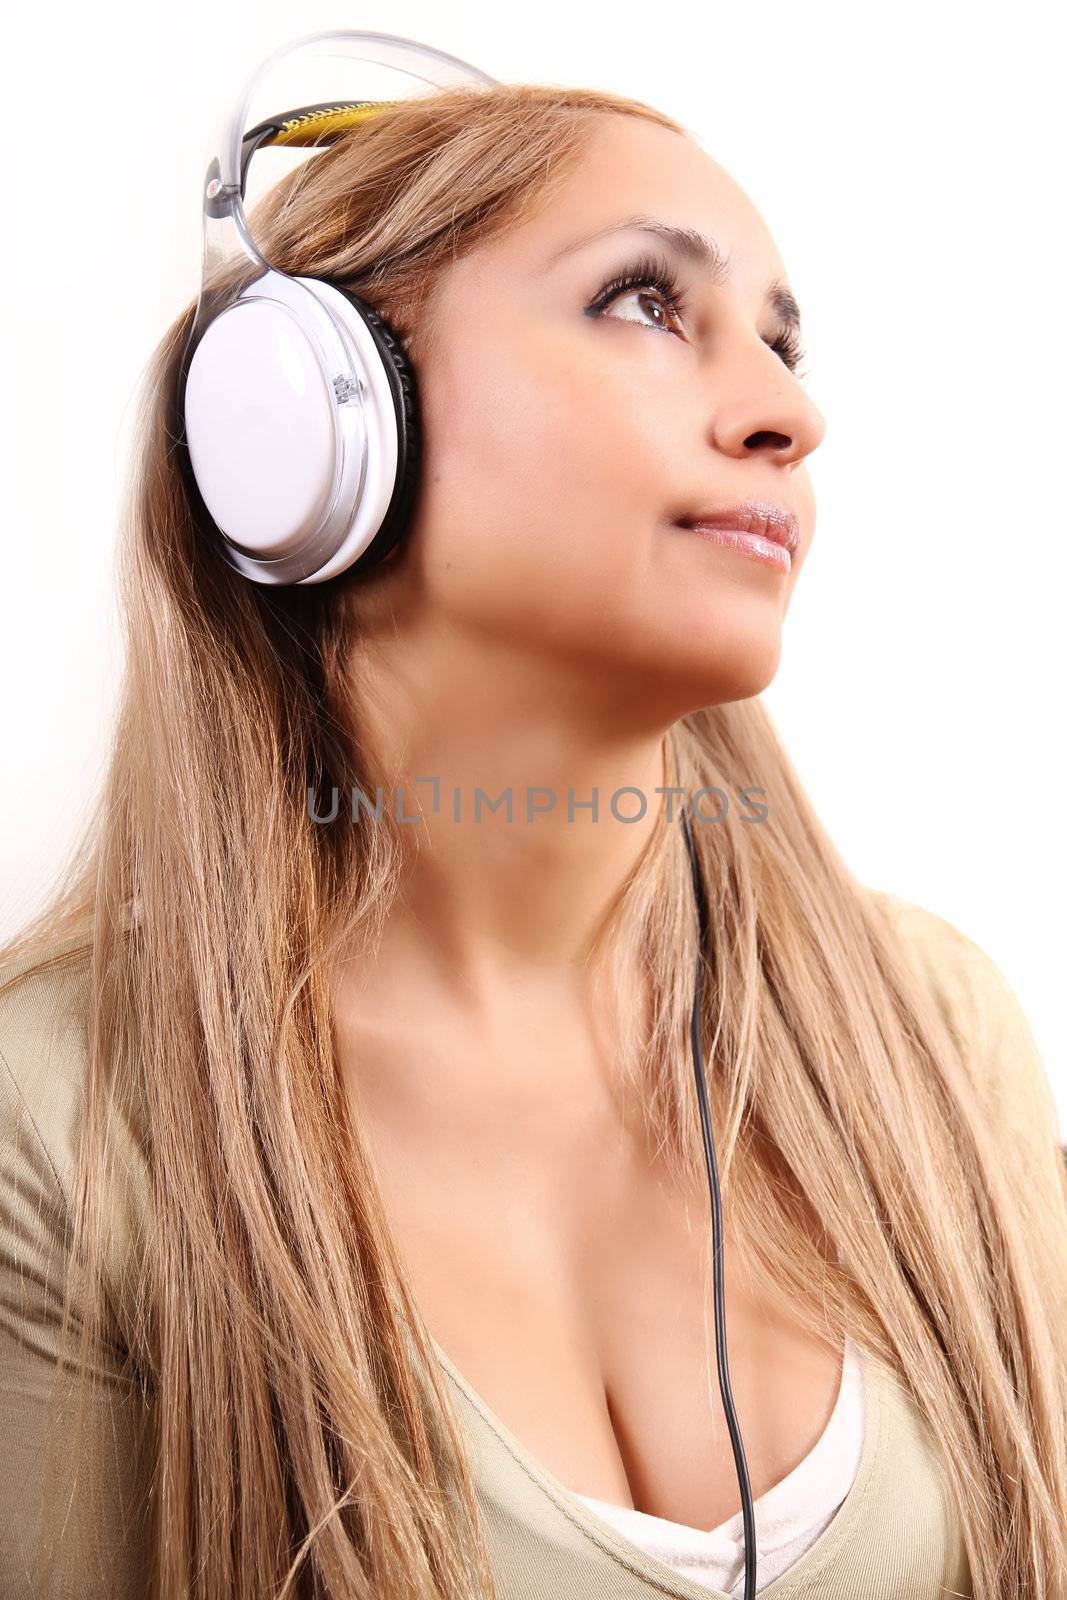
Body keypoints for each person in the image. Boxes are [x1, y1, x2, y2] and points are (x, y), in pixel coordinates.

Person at [1, 76, 1065, 1600]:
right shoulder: (60, 1128)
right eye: (646, 301)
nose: (790, 409)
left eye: (781, 337)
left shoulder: (937, 1035)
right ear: (305, 427)